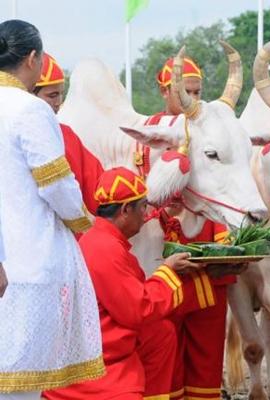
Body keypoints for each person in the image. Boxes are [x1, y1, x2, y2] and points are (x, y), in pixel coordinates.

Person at [0, 19, 104, 397]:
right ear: (32, 59)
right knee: (19, 382)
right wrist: (81, 219)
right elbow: (56, 183)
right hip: (25, 262)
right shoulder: (30, 109)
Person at [44, 167, 204, 399]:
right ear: (125, 210)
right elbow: (138, 308)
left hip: (98, 347)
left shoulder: (103, 241)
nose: (146, 215)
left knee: (161, 333)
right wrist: (168, 271)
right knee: (159, 331)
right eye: (142, 208)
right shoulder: (105, 248)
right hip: (102, 367)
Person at [146, 56, 234, 400]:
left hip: (207, 266)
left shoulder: (212, 127)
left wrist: (226, 241)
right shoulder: (149, 131)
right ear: (164, 90)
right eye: (185, 92)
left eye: (197, 92)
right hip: (162, 265)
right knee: (165, 355)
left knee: (207, 361)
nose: (191, 99)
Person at [34, 52, 104, 214]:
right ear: (30, 95)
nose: (59, 102)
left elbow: (97, 184)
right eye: (52, 95)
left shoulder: (66, 134)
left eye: (60, 94)